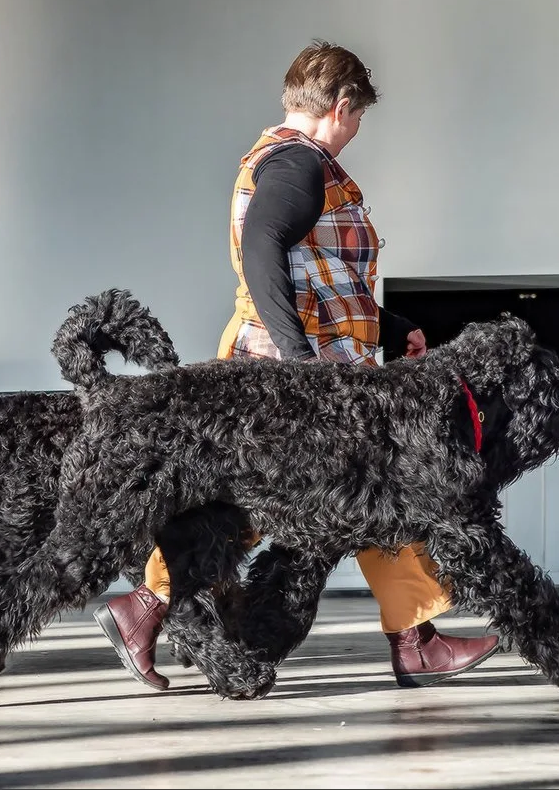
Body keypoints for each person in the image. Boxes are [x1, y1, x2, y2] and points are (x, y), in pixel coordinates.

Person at [95, 40, 499, 691]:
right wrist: (298, 362)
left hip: (298, 367)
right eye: (358, 117)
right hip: (297, 376)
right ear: (341, 106)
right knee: (364, 492)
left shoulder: (280, 158)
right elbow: (262, 246)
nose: (356, 130)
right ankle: (414, 641)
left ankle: (143, 609)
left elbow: (317, 274)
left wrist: (392, 330)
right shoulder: (300, 165)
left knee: (287, 500)